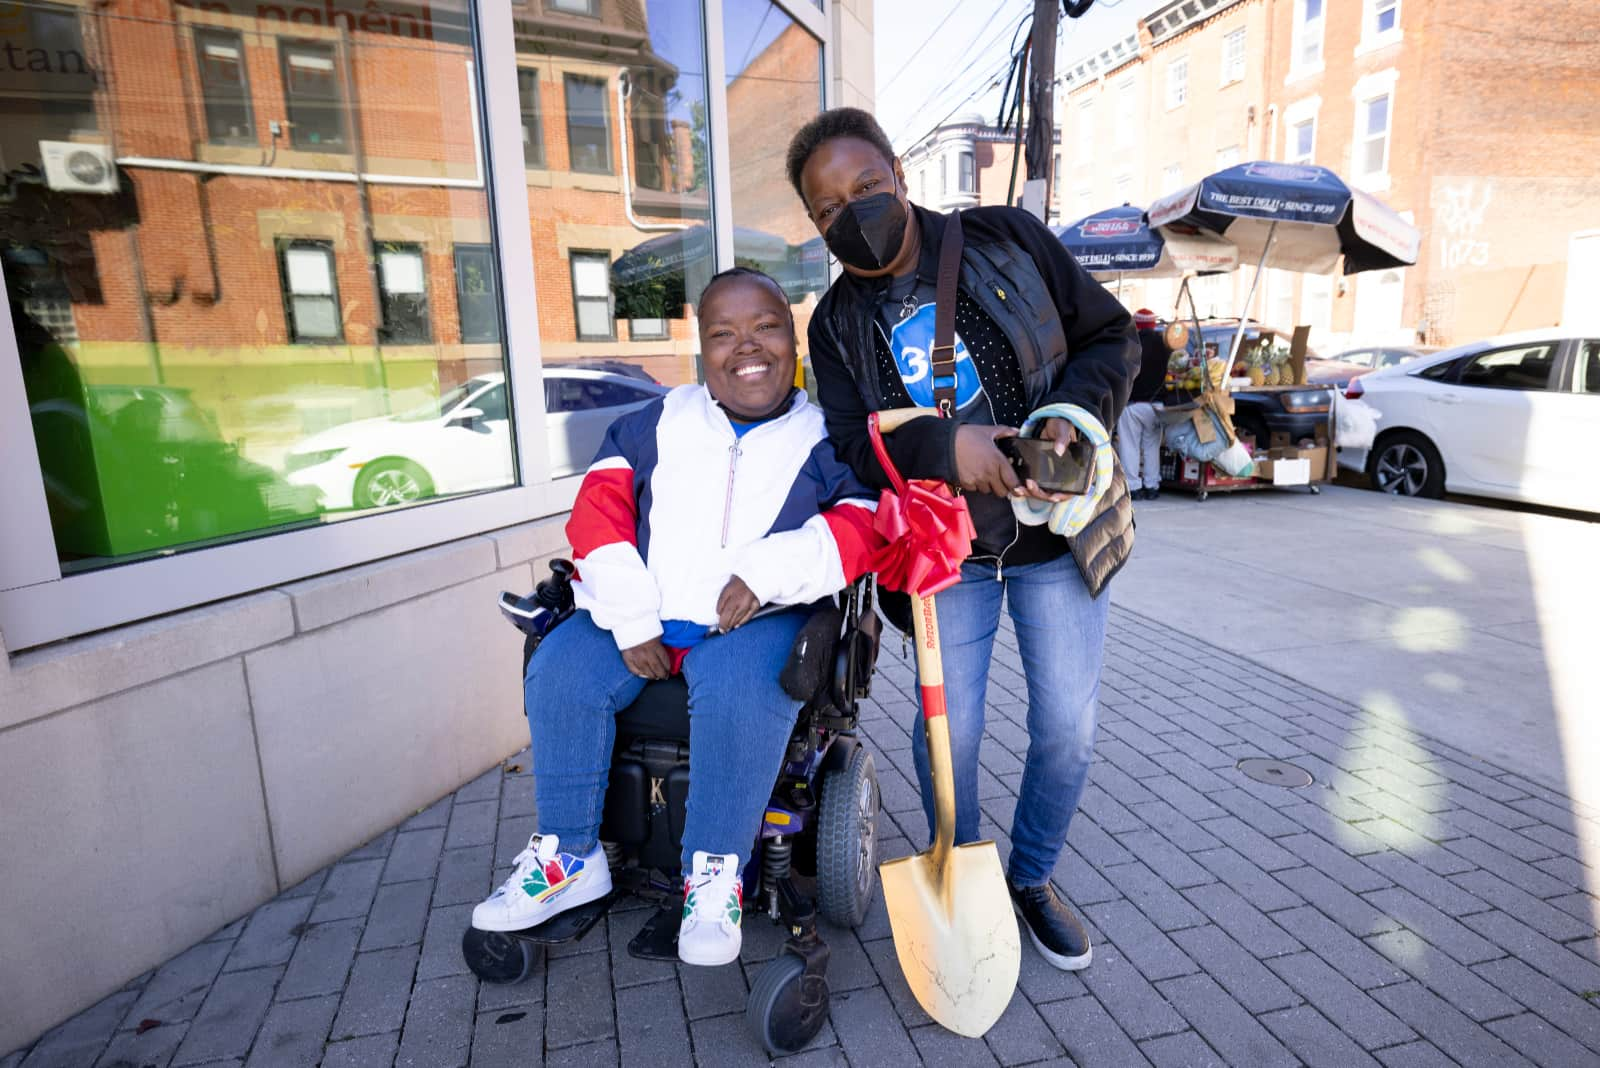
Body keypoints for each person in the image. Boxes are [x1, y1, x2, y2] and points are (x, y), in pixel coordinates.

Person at [785, 108, 1137, 971]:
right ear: (815, 225)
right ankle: (967, 873)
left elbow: (1112, 336)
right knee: (953, 732)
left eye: (865, 187)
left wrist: (1071, 421)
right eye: (829, 208)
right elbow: (848, 444)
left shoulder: (1005, 239)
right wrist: (949, 451)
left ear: (899, 174)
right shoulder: (833, 325)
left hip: (1058, 533)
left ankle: (1032, 879)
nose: (852, 212)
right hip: (949, 557)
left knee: (1067, 729)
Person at [471, 267, 881, 967]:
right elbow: (596, 516)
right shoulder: (653, 422)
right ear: (702, 351)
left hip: (755, 620)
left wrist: (766, 572)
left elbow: (862, 524)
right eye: (723, 334)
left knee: (742, 686)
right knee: (561, 666)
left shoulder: (825, 436)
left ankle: (713, 876)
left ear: (793, 337)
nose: (746, 347)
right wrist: (631, 621)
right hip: (646, 610)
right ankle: (570, 858)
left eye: (766, 327)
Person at [1119, 309, 1170, 500]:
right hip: (1156, 406)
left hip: (1131, 405)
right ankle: (1152, 485)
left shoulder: (1130, 344)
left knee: (1129, 446)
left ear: (1137, 325)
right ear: (1153, 324)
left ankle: (1133, 487)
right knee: (1151, 446)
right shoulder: (1165, 345)